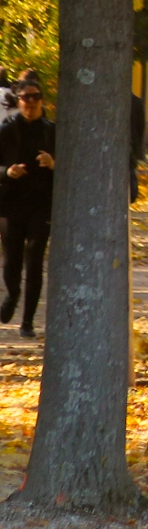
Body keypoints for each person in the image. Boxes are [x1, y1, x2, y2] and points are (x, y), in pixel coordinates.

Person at [0, 76, 55, 337]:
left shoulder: (51, 131)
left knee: (34, 263)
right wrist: (7, 171)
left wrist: (53, 163)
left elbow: (71, 166)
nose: (30, 102)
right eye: (25, 98)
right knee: (12, 261)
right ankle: (12, 295)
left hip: (41, 206)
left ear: (42, 101)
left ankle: (28, 322)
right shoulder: (6, 130)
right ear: (18, 101)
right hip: (10, 205)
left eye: (35, 97)